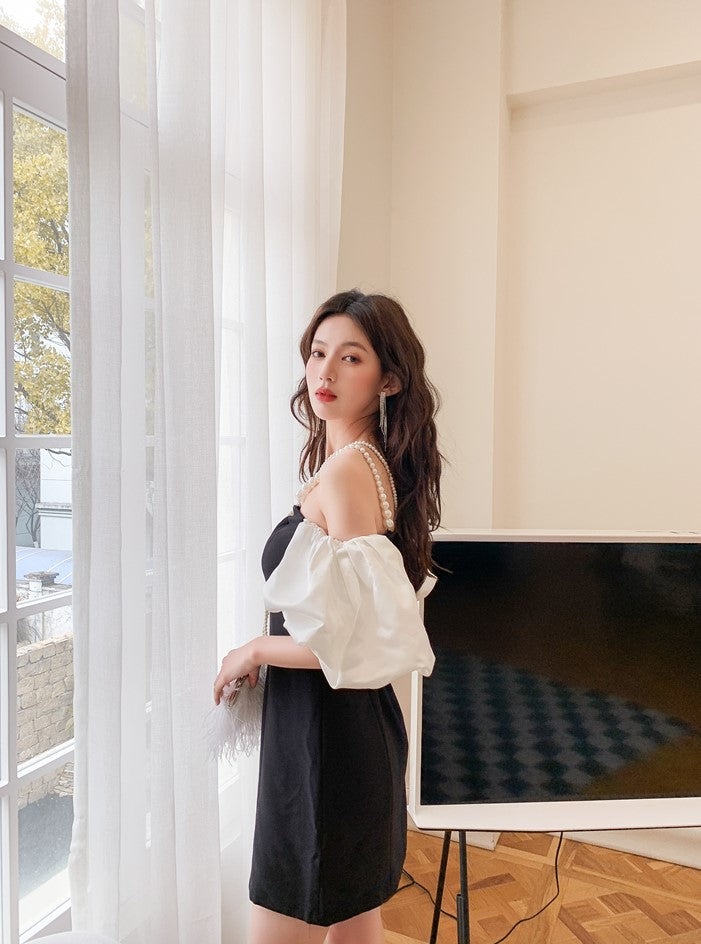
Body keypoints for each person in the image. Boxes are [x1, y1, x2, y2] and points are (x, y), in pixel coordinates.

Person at [213, 289, 442, 944]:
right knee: (353, 917)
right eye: (318, 353)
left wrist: (254, 650)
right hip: (339, 732)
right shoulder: (366, 465)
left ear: (388, 379)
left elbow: (349, 642)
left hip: (326, 742)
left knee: (296, 913)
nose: (325, 371)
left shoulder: (346, 473)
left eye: (351, 358)